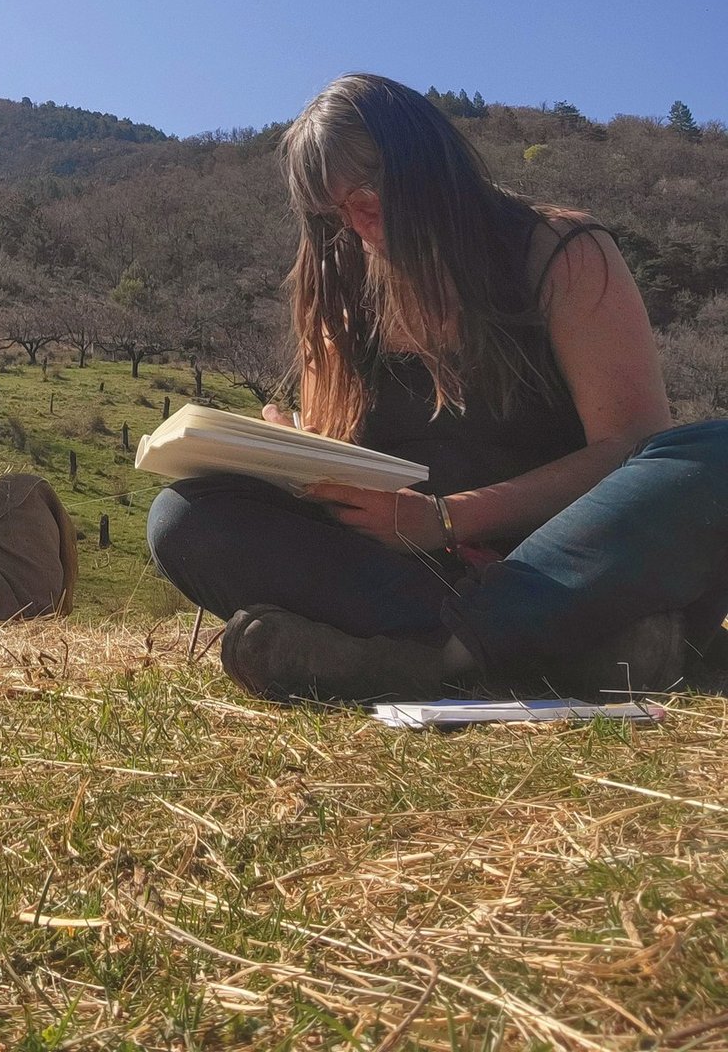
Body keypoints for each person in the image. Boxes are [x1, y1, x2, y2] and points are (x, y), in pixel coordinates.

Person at [146, 74, 728, 703]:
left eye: (367, 196)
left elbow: (628, 447)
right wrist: (296, 459)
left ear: (428, 171)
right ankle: (562, 650)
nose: (357, 225)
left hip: (570, 560)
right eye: (331, 213)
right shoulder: (338, 282)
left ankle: (442, 659)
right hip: (415, 578)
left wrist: (446, 519)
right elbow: (343, 455)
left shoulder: (559, 252)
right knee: (183, 516)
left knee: (713, 457)